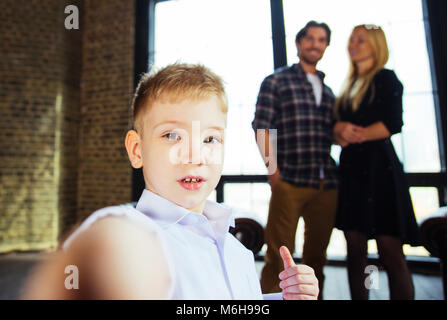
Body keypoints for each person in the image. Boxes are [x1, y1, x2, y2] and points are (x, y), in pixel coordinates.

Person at [22, 63, 319, 300]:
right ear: (137, 150)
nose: (194, 155)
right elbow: (105, 251)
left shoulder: (237, 251)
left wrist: (283, 298)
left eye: (210, 138)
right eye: (172, 135)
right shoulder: (133, 233)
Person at [333, 24, 421, 300]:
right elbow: (336, 130)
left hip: (379, 171)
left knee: (389, 249)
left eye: (361, 40)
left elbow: (393, 123)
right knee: (356, 248)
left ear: (375, 45)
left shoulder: (386, 78)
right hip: (351, 172)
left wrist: (355, 134)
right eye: (352, 39)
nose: (353, 44)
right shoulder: (347, 85)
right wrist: (339, 132)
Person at [252, 21, 338, 299]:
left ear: (325, 46)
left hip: (326, 183)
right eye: (310, 38)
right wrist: (272, 172)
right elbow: (262, 126)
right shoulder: (276, 81)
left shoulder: (328, 91)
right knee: (279, 256)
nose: (316, 44)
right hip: (288, 180)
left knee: (316, 260)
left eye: (322, 39)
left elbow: (332, 135)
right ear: (299, 43)